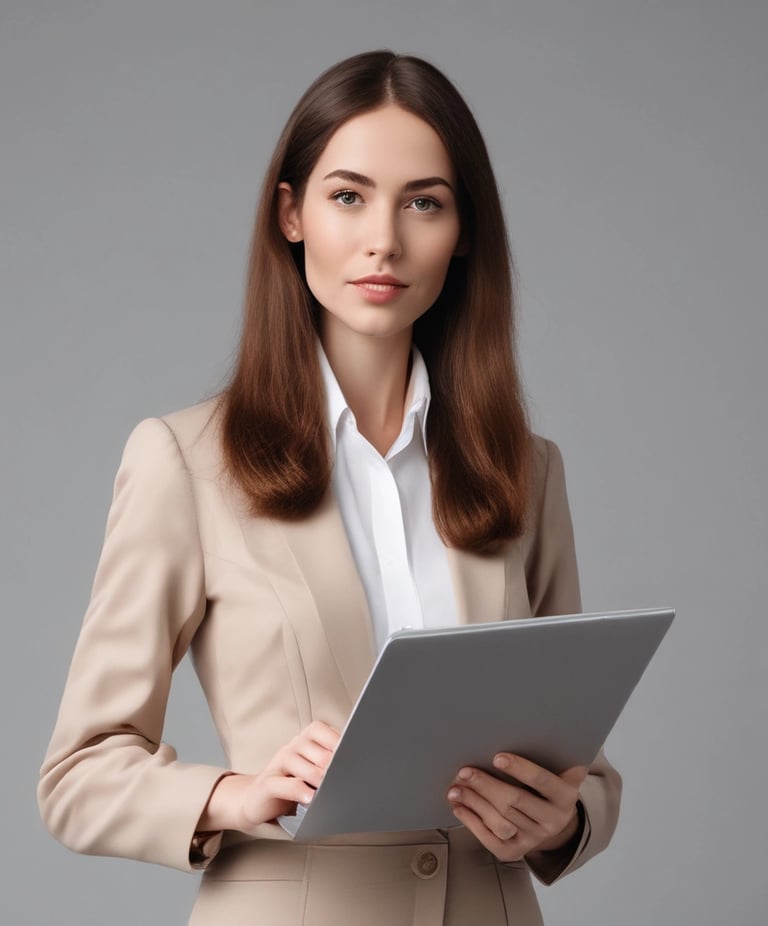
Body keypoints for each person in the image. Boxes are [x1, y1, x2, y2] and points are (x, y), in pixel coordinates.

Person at [38, 50, 621, 925]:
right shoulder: (186, 462)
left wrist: (562, 818)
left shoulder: (527, 470)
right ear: (292, 213)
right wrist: (232, 795)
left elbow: (580, 758)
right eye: (348, 195)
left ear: (462, 230)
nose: (384, 238)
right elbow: (77, 775)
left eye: (424, 201)